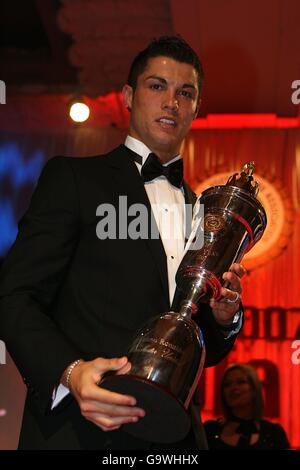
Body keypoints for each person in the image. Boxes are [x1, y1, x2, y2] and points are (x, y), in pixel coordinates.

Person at [0, 36, 245, 450]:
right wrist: (70, 371)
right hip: (81, 431)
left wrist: (223, 319)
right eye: (157, 86)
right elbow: (13, 295)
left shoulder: (202, 210)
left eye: (185, 93)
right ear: (129, 96)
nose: (172, 101)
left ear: (196, 108)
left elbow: (194, 341)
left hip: (176, 438)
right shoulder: (74, 180)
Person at [204, 363, 290, 450]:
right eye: (227, 384)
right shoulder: (210, 430)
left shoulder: (273, 433)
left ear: (254, 389)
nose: (233, 388)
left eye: (241, 382)